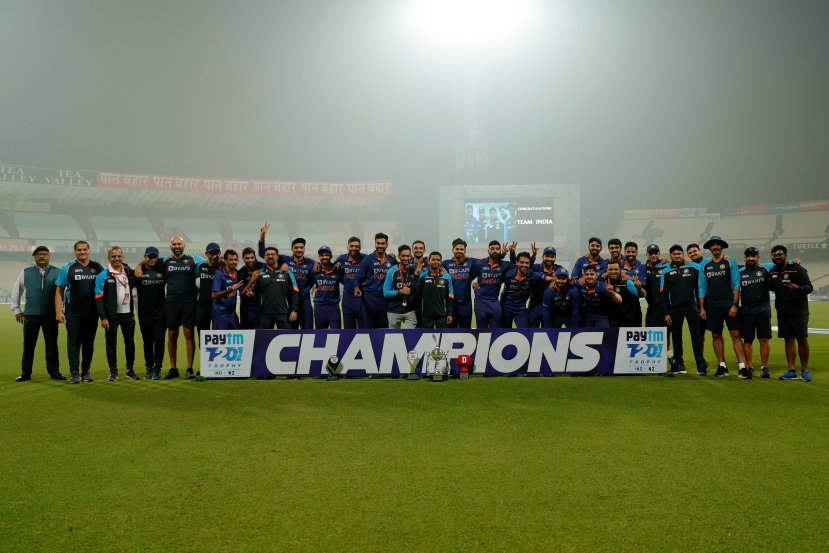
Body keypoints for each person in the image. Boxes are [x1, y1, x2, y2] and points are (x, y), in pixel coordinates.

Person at [135, 235, 205, 380]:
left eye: (179, 243)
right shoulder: (165, 261)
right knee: (172, 334)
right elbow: (149, 260)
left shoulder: (194, 259)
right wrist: (138, 265)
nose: (177, 246)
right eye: (174, 244)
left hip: (189, 302)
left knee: (188, 333)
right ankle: (173, 368)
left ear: (184, 245)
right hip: (171, 302)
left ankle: (189, 367)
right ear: (170, 246)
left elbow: (209, 263)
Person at [11, 245, 64, 381]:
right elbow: (16, 291)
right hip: (31, 315)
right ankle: (26, 373)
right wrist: (17, 310)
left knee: (52, 345)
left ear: (49, 257)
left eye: (45, 254)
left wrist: (62, 310)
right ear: (34, 257)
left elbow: (64, 292)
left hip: (50, 315)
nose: (42, 256)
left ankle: (54, 372)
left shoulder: (58, 272)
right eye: (39, 254)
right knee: (28, 345)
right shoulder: (25, 272)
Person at [55, 241, 105, 384]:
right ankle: (74, 372)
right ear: (75, 252)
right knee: (74, 342)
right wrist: (58, 311)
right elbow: (59, 290)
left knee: (89, 343)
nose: (82, 252)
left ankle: (86, 371)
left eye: (84, 249)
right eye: (79, 250)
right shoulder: (68, 268)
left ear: (89, 250)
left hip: (92, 313)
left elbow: (104, 287)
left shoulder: (97, 267)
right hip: (73, 313)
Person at [698, 236, 747, 377]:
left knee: (736, 335)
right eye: (712, 245)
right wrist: (702, 308)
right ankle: (722, 366)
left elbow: (736, 284)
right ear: (709, 248)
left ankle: (742, 367)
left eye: (717, 244)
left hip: (729, 304)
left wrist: (735, 305)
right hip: (713, 306)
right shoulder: (705, 266)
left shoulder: (730, 262)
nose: (715, 247)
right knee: (716, 335)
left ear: (722, 247)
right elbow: (702, 287)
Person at [768, 245, 813, 381]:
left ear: (785, 255)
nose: (777, 257)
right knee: (788, 339)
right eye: (774, 255)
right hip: (782, 311)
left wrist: (798, 288)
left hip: (799, 311)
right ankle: (791, 370)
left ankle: (804, 370)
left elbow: (809, 287)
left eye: (780, 254)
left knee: (802, 339)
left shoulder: (797, 269)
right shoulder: (773, 272)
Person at [94, 246, 139, 382]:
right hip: (111, 317)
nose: (116, 259)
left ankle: (130, 371)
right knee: (111, 344)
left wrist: (131, 311)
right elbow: (98, 298)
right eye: (113, 256)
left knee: (130, 343)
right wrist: (103, 317)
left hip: (127, 315)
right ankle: (113, 372)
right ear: (109, 258)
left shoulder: (128, 273)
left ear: (123, 257)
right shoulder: (103, 275)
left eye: (119, 256)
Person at [660, 244, 706, 375]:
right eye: (674, 254)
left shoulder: (693, 267)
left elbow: (705, 270)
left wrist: (693, 262)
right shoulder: (666, 271)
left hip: (692, 306)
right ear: (670, 256)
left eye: (679, 253)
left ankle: (700, 364)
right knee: (676, 337)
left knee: (696, 336)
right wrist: (666, 313)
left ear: (683, 255)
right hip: (674, 309)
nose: (677, 256)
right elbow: (663, 293)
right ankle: (679, 364)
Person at [245, 246, 299, 329]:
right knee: (264, 339)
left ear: (277, 257)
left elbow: (294, 293)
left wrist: (294, 310)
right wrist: (251, 294)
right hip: (265, 314)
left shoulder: (287, 273)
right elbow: (255, 291)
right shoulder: (259, 274)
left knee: (287, 339)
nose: (270, 256)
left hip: (283, 313)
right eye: (268, 254)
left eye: (273, 254)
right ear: (264, 257)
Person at [739, 247, 772, 379]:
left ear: (758, 257)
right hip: (746, 311)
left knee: (763, 339)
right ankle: (749, 366)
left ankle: (764, 367)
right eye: (748, 256)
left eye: (753, 256)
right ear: (745, 258)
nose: (750, 258)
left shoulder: (766, 269)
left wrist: (794, 261)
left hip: (763, 310)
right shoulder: (740, 272)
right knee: (748, 340)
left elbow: (782, 263)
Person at [134, 246, 166, 380]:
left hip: (160, 313)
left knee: (159, 341)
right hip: (144, 313)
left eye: (154, 256)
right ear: (145, 257)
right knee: (147, 342)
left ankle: (158, 368)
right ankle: (149, 367)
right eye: (149, 257)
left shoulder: (163, 270)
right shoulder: (138, 273)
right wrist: (138, 266)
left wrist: (139, 264)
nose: (152, 259)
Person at [356, 232, 398, 328]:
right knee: (370, 329)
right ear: (375, 244)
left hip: (385, 300)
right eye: (378, 243)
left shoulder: (392, 261)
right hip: (369, 298)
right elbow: (358, 277)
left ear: (386, 245)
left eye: (382, 243)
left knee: (384, 329)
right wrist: (356, 287)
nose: (380, 246)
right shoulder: (367, 260)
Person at [500, 251, 548, 328]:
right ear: (517, 262)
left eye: (527, 263)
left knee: (525, 333)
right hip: (506, 308)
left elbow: (548, 278)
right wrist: (476, 284)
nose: (524, 265)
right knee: (504, 333)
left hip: (520, 309)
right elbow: (495, 281)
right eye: (522, 262)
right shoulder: (508, 274)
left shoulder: (532, 275)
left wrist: (560, 280)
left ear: (530, 264)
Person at [471, 240, 512, 329]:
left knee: (496, 332)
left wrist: (510, 252)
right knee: (481, 332)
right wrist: (473, 284)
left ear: (500, 251)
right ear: (488, 251)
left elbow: (517, 266)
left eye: (497, 249)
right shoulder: (479, 264)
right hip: (480, 301)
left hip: (494, 302)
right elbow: (469, 277)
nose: (494, 250)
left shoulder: (504, 265)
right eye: (492, 248)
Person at [442, 238, 477, 329]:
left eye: (461, 249)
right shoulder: (445, 264)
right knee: (450, 331)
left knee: (466, 331)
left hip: (465, 303)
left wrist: (477, 281)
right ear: (452, 249)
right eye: (457, 249)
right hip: (451, 304)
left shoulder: (472, 262)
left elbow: (486, 264)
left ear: (465, 250)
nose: (459, 251)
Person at [383, 244, 419, 329]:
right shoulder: (392, 271)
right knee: (393, 338)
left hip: (410, 310)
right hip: (394, 310)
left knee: (411, 337)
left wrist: (441, 270)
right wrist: (399, 291)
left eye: (408, 256)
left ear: (411, 256)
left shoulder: (415, 270)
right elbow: (385, 292)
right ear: (399, 256)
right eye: (403, 256)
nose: (406, 258)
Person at [416, 252, 454, 329]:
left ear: (441, 262)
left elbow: (450, 297)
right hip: (426, 315)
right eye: (433, 259)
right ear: (429, 261)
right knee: (427, 339)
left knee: (442, 339)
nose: (436, 261)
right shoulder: (423, 276)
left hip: (442, 316)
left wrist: (449, 314)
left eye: (438, 260)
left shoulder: (447, 277)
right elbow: (418, 295)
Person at [336, 237, 365, 329]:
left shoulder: (366, 258)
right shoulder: (341, 259)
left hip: (362, 298)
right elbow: (331, 268)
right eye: (351, 246)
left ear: (360, 248)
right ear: (347, 247)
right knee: (348, 330)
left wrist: (390, 256)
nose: (354, 248)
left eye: (357, 246)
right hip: (347, 297)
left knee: (363, 329)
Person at [311, 245, 344, 329]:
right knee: (321, 336)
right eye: (322, 255)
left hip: (333, 308)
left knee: (336, 335)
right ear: (319, 257)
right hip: (319, 307)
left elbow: (347, 283)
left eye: (326, 255)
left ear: (331, 256)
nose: (324, 257)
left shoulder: (337, 270)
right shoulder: (315, 270)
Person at [212, 249, 244, 330]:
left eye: (235, 260)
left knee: (237, 340)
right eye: (231, 259)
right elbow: (214, 295)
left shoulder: (237, 274)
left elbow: (241, 291)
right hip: (220, 314)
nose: (234, 262)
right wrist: (231, 289)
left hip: (232, 314)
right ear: (225, 261)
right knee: (220, 341)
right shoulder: (219, 274)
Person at [604, 260, 641, 327]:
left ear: (620, 270)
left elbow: (642, 295)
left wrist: (639, 288)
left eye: (616, 269)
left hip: (631, 320)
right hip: (613, 321)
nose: (613, 272)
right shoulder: (603, 283)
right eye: (610, 269)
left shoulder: (628, 282)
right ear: (607, 271)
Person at [195, 243, 221, 338]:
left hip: (218, 307)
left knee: (218, 338)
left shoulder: (222, 268)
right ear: (206, 254)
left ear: (219, 253)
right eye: (211, 253)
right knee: (202, 337)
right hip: (202, 306)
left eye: (216, 253)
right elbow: (190, 281)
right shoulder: (199, 266)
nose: (214, 256)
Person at [237, 247, 267, 329]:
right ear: (243, 258)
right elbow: (242, 292)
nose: (250, 260)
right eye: (247, 258)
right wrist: (252, 280)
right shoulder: (241, 273)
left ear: (255, 257)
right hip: (247, 308)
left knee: (262, 334)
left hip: (262, 307)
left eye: (252, 257)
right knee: (247, 334)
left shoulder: (263, 267)